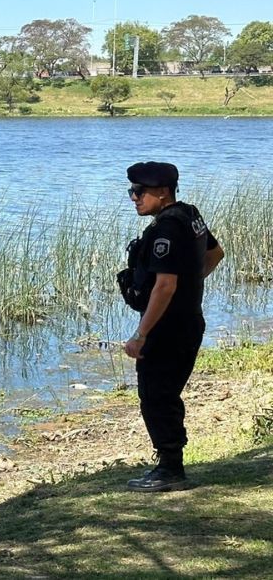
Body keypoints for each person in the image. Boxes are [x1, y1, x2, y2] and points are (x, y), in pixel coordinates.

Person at [119, 161, 224, 492]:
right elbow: (216, 253)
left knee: (156, 396)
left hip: (167, 329)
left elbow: (164, 286)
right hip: (189, 321)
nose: (133, 197)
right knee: (165, 394)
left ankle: (170, 469)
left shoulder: (165, 230)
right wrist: (190, 286)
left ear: (162, 192)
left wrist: (141, 334)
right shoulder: (189, 215)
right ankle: (169, 464)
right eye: (131, 191)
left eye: (139, 192)